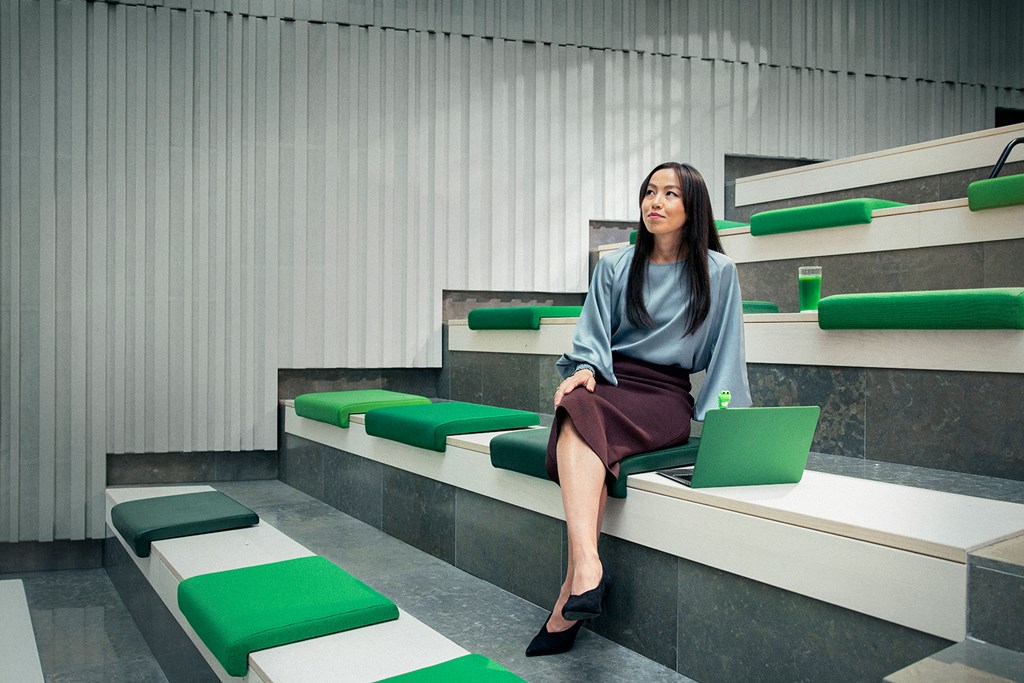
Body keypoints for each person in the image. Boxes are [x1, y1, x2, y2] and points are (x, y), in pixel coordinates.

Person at [525, 162, 752, 657]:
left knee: (582, 418)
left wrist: (723, 427)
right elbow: (591, 337)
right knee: (578, 402)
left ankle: (572, 592)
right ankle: (586, 571)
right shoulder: (614, 266)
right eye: (650, 192)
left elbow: (728, 352)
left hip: (665, 397)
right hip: (609, 381)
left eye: (670, 193)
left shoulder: (719, 272)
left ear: (692, 206)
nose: (656, 201)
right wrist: (584, 368)